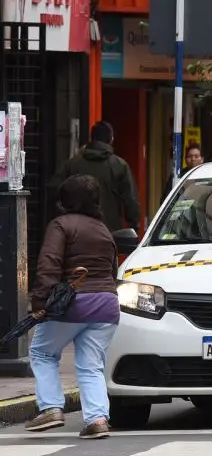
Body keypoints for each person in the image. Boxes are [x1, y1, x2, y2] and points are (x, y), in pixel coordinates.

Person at [24, 175, 120, 438]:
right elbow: (112, 269)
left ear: (65, 201)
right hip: (107, 305)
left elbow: (49, 265)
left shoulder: (61, 225)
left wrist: (40, 303)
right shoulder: (103, 229)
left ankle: (51, 408)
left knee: (43, 353)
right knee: (91, 365)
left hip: (74, 302)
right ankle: (98, 419)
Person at [47, 120, 141, 233]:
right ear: (111, 139)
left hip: (77, 230)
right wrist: (134, 225)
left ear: (92, 138)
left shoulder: (73, 163)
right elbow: (131, 200)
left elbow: (53, 189)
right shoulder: (119, 165)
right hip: (108, 230)